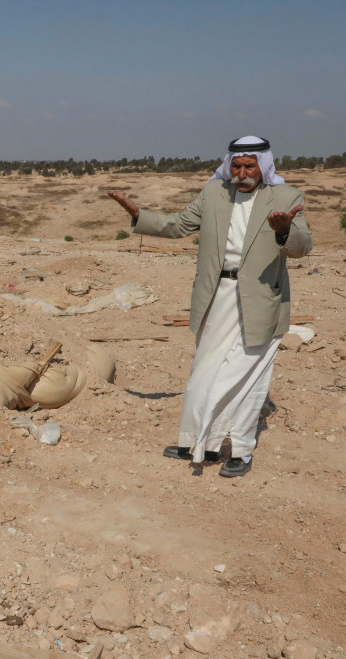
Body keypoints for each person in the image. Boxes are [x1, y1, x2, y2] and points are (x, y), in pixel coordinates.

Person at [107, 136, 312, 477]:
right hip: (217, 296)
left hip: (262, 298)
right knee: (204, 371)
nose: (242, 172)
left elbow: (303, 247)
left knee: (245, 379)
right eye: (237, 165)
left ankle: (242, 450)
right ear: (228, 164)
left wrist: (285, 231)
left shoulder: (287, 197)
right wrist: (138, 215)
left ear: (263, 166)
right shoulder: (214, 193)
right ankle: (196, 443)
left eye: (250, 166)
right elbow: (177, 225)